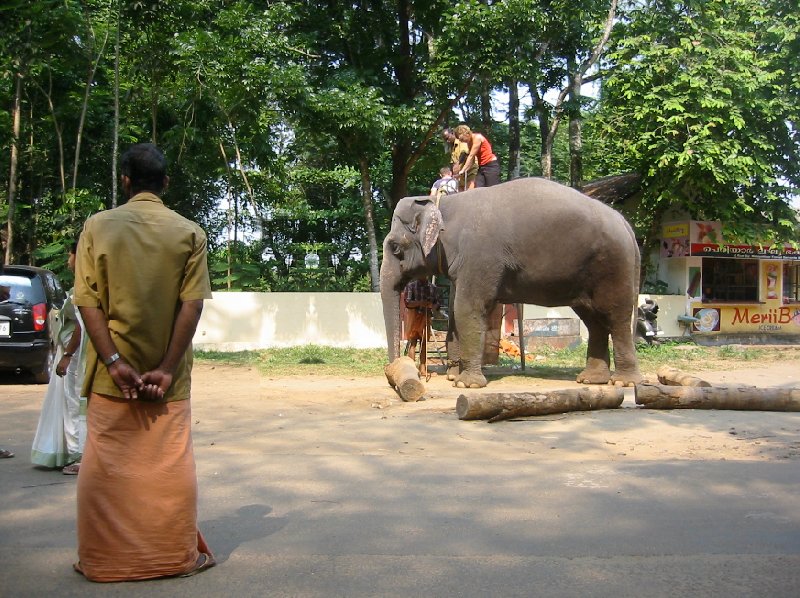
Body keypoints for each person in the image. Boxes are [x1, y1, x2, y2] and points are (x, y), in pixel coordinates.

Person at [73, 143, 214, 582]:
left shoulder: (97, 227)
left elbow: (88, 302)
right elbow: (191, 306)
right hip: (166, 382)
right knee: (169, 465)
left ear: (125, 181)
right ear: (166, 183)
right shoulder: (189, 232)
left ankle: (103, 561)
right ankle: (172, 556)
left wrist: (114, 361)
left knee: (105, 467)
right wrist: (168, 367)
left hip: (112, 379)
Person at [31, 241, 86, 474]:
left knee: (75, 403)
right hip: (73, 354)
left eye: (70, 255)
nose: (68, 261)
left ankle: (79, 455)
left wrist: (68, 355)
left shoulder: (84, 289)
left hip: (76, 356)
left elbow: (81, 327)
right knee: (72, 402)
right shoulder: (87, 286)